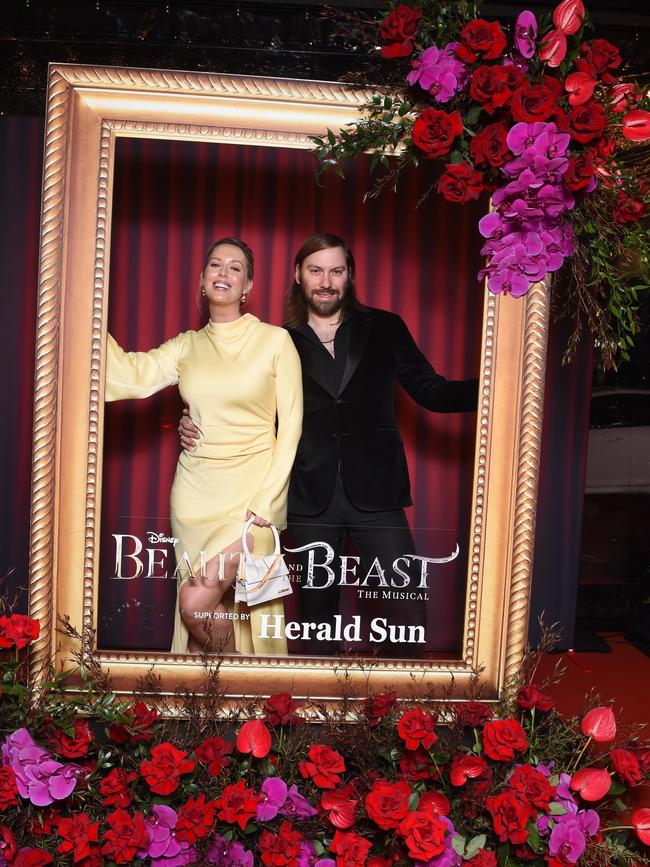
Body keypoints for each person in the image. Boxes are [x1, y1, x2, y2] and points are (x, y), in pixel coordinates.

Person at [180, 232, 477, 656]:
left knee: (407, 612)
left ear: (349, 276)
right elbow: (237, 403)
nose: (326, 281)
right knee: (317, 621)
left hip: (377, 492)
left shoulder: (385, 327)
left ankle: (403, 711)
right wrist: (189, 418)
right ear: (298, 275)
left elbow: (432, 391)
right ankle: (320, 719)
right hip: (307, 495)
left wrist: (495, 385)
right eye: (316, 270)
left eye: (336, 271)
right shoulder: (276, 341)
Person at [105, 238, 303, 655]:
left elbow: (292, 428)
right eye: (215, 265)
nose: (224, 274)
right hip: (195, 498)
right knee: (204, 616)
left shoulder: (275, 341)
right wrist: (79, 310)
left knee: (196, 605)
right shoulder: (186, 346)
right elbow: (129, 374)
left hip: (252, 501)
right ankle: (219, 708)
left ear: (248, 284)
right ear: (201, 280)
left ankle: (245, 689)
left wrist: (268, 504)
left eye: (235, 268)